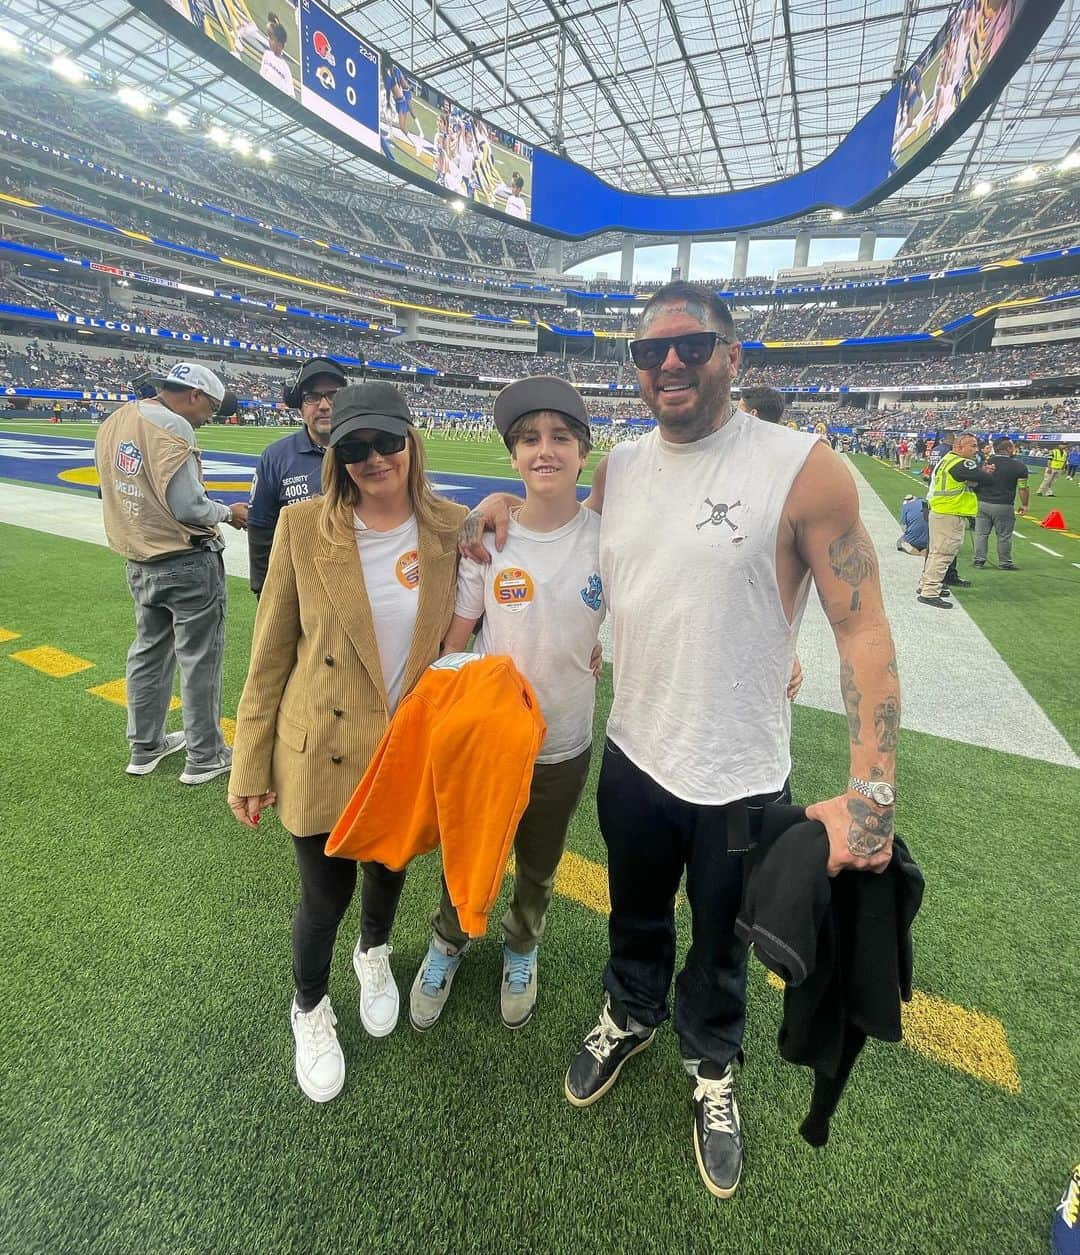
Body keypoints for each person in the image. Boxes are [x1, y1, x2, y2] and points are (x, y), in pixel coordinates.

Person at [461, 281, 899, 1199]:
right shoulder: (619, 468)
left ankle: (712, 1061)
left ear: (732, 356)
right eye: (649, 352)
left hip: (739, 770)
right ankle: (630, 1009)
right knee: (637, 908)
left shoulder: (802, 467)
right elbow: (559, 523)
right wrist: (493, 504)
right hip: (634, 751)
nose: (668, 363)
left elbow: (863, 629)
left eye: (691, 346)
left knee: (725, 938)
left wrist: (874, 791)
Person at [227, 382, 466, 1104]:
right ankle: (309, 1007)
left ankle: (374, 954)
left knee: (388, 872)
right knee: (322, 897)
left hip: (399, 753)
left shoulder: (452, 527)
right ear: (336, 458)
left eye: (386, 441)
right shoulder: (304, 528)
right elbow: (270, 656)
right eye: (353, 448)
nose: (373, 459)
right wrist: (248, 763)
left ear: (410, 441)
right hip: (320, 747)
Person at [409, 377, 604, 1035]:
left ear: (583, 451)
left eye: (559, 437)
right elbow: (457, 636)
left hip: (564, 742)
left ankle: (522, 946)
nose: (544, 450)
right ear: (513, 455)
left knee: (539, 866)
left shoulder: (608, 539)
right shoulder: (487, 537)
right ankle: (449, 940)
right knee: (468, 850)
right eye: (528, 439)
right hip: (489, 741)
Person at [94, 361, 246, 784]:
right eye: (210, 408)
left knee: (148, 652)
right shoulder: (174, 429)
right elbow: (189, 507)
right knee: (200, 659)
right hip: (185, 559)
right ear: (194, 395)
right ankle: (205, 755)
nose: (210, 418)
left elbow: (107, 489)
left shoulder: (116, 419)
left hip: (139, 559)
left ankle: (145, 746)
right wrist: (228, 513)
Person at [247, 356, 347, 596]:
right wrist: (264, 591)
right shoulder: (275, 457)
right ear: (299, 406)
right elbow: (261, 530)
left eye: (333, 395)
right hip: (299, 589)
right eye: (312, 397)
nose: (324, 405)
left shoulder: (370, 453)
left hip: (355, 586)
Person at [917, 432, 996, 608]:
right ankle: (929, 592)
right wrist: (984, 472)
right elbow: (987, 480)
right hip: (949, 513)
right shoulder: (961, 463)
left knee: (936, 553)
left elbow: (968, 480)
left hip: (940, 510)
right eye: (972, 446)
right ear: (959, 447)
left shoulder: (948, 460)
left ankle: (926, 585)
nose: (976, 450)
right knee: (943, 554)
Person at [974, 437, 1028, 570]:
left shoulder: (985, 462)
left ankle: (979, 560)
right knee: (1004, 536)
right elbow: (1023, 487)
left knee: (981, 534)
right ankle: (1005, 562)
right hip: (1004, 504)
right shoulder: (1018, 466)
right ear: (1009, 449)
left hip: (982, 502)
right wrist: (1025, 504)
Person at [258, 20, 295, 99]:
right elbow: (262, 74)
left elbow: (291, 94)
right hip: (264, 94)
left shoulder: (285, 68)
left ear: (279, 45)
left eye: (271, 39)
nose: (268, 40)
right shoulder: (267, 54)